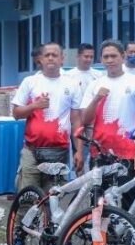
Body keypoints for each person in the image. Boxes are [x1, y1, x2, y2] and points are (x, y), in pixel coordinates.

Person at [12, 43, 82, 190]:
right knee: (27, 199)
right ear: (40, 59)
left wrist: (79, 151)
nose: (50, 58)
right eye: (47, 55)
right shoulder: (30, 82)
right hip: (31, 151)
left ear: (62, 59)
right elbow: (16, 114)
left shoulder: (72, 84)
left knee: (53, 200)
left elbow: (76, 121)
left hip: (59, 152)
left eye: (55, 55)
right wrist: (34, 106)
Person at [79, 39, 135, 176]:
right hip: (100, 153)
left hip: (128, 152)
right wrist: (96, 99)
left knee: (127, 197)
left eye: (114, 56)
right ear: (101, 59)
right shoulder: (95, 85)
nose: (110, 60)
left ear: (123, 56)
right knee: (100, 197)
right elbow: (85, 119)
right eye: (106, 57)